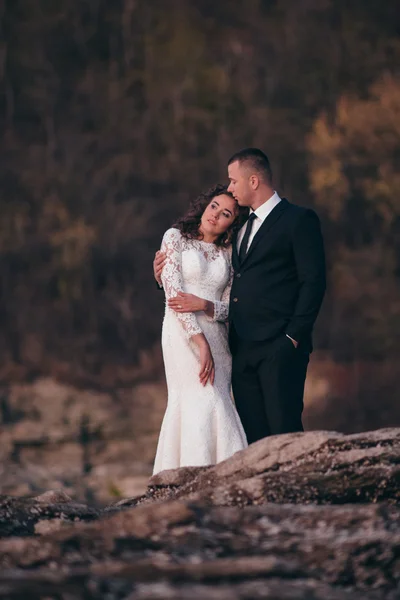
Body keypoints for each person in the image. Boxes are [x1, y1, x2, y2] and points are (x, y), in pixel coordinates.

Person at [154, 148, 326, 445]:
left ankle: (292, 492)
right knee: (253, 438)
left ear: (254, 181)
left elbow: (313, 282)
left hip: (279, 345)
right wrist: (161, 276)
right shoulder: (240, 229)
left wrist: (294, 337)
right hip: (239, 347)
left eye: (234, 181)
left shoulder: (298, 219)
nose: (230, 187)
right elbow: (219, 278)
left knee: (284, 432)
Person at [152, 184, 248, 474]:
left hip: (219, 340)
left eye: (226, 213)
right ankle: (189, 479)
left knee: (218, 400)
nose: (216, 214)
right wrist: (199, 341)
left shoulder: (229, 254)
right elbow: (173, 293)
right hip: (182, 334)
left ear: (232, 223)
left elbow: (230, 308)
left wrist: (206, 305)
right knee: (198, 399)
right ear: (206, 205)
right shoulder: (175, 237)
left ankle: (229, 480)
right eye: (215, 206)